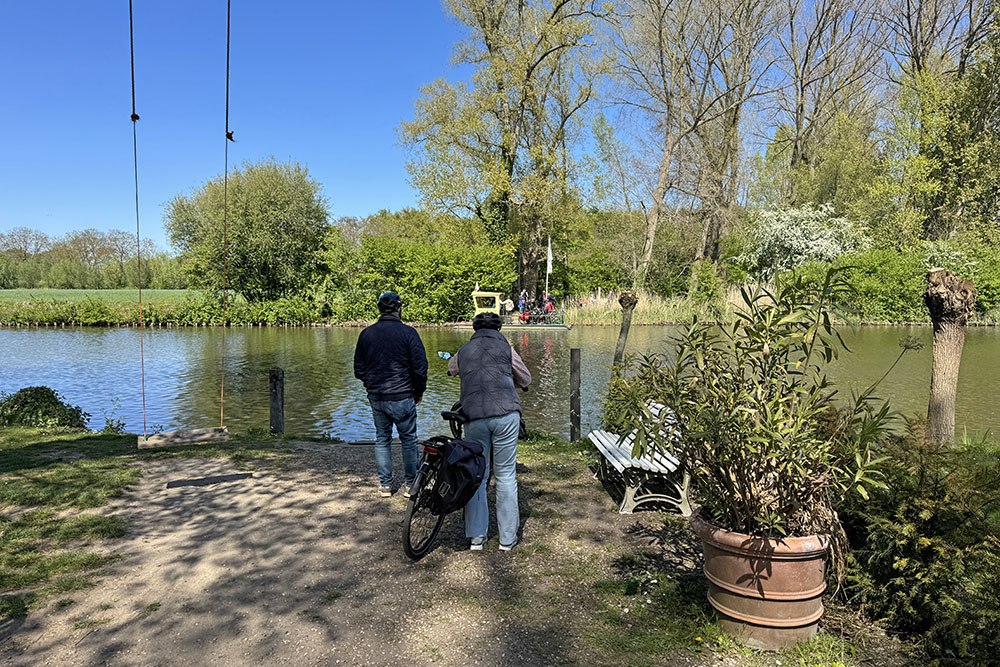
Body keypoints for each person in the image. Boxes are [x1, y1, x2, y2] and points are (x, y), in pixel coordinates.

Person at [447, 312, 531, 551]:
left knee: (478, 475)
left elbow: (451, 369)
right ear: (499, 328)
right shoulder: (506, 348)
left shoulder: (464, 350)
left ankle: (476, 538)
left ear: (474, 329)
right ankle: (507, 540)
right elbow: (525, 377)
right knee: (506, 477)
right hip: (506, 415)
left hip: (474, 416)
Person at [354, 291, 428, 497]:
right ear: (399, 309)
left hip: (377, 396)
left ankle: (385, 485)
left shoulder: (366, 334)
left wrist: (371, 384)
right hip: (403, 395)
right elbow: (420, 367)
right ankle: (411, 484)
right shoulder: (408, 333)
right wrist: (418, 392)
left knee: (382, 439)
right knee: (409, 440)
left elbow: (358, 370)